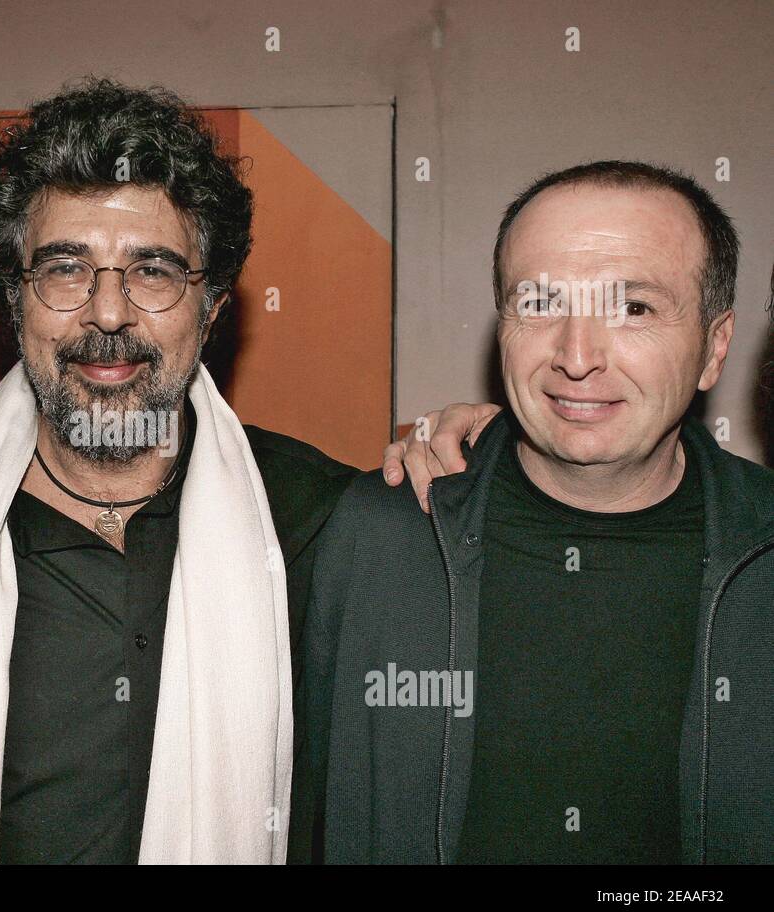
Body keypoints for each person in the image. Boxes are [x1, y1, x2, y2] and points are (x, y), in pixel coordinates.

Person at [0, 78, 498, 864]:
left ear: (211, 309)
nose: (108, 314)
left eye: (154, 272)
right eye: (66, 270)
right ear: (14, 300)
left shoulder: (320, 521)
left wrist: (508, 451)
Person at [309, 160, 774, 863]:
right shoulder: (384, 527)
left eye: (634, 308)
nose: (577, 356)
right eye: (539, 304)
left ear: (714, 348)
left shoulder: (763, 555)